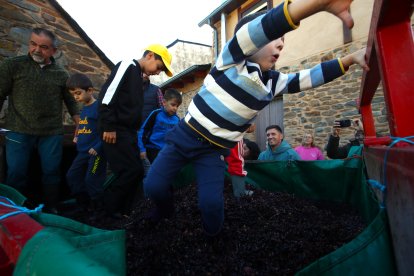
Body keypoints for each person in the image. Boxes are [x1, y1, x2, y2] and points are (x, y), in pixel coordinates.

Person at [144, 0, 369, 237]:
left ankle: (214, 239)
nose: (281, 43)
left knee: (211, 205)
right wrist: (315, 4)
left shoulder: (273, 82)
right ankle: (165, 210)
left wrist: (350, 59)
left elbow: (310, 77)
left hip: (211, 151)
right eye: (276, 37)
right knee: (153, 186)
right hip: (183, 138)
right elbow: (262, 29)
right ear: (252, 40)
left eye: (284, 40)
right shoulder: (230, 60)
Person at [0, 27, 80, 213]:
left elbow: (71, 102)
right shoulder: (13, 65)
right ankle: (14, 211)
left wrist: (80, 125)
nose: (36, 49)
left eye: (43, 47)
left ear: (54, 51)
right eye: (33, 44)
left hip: (51, 132)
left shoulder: (61, 74)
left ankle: (51, 208)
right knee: (16, 173)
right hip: (18, 129)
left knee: (51, 173)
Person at [98, 44, 173, 218]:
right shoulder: (127, 66)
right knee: (129, 171)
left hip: (129, 132)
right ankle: (108, 211)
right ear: (150, 56)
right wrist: (109, 126)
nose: (157, 72)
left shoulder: (138, 78)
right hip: (115, 130)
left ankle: (124, 212)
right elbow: (107, 96)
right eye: (159, 67)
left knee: (137, 172)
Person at [65, 73, 106, 212]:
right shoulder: (84, 109)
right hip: (82, 152)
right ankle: (83, 205)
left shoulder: (100, 108)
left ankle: (98, 209)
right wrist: (77, 136)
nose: (76, 97)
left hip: (96, 154)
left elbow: (108, 130)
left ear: (90, 90)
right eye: (73, 94)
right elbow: (82, 125)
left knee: (92, 180)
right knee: (72, 176)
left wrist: (98, 147)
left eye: (78, 93)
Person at [138, 88, 182, 165]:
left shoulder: (176, 119)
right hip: (153, 150)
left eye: (177, 106)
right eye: (173, 105)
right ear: (164, 102)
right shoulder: (156, 114)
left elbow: (178, 136)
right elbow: (143, 131)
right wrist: (142, 150)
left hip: (168, 151)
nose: (175, 108)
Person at [225, 124, 256, 198]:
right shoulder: (235, 132)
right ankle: (239, 192)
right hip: (234, 128)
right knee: (236, 159)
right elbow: (236, 161)